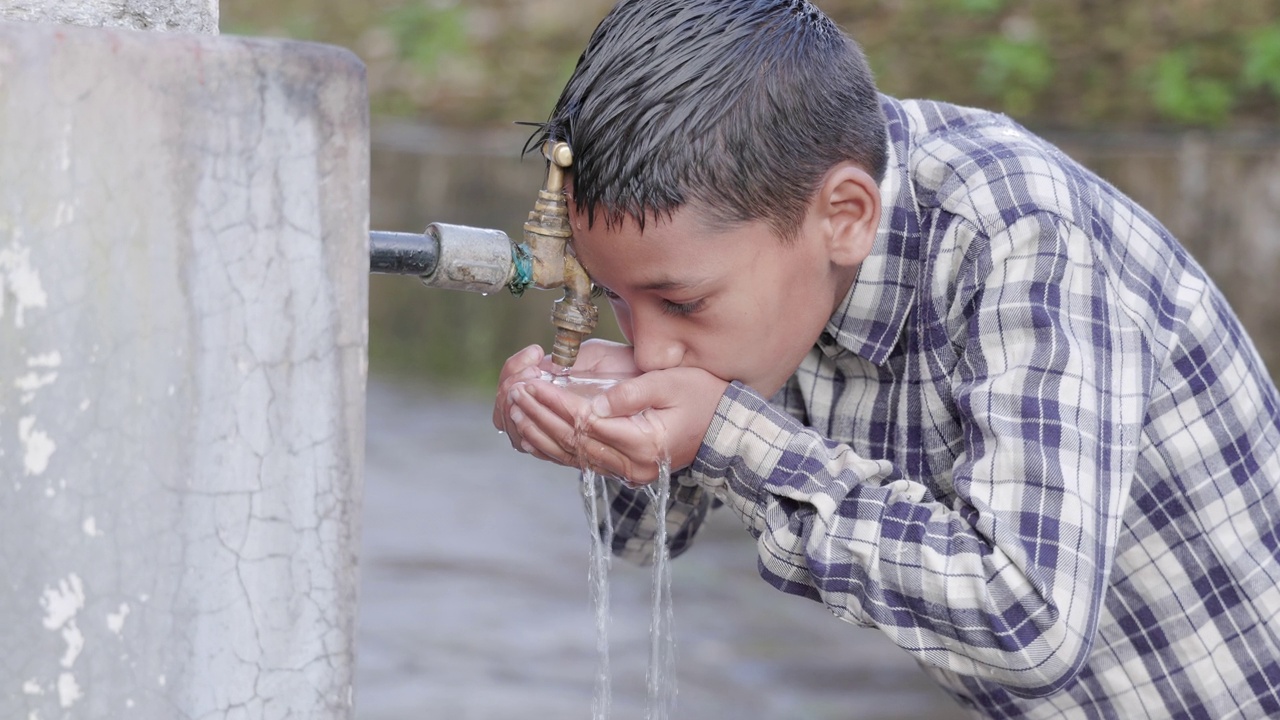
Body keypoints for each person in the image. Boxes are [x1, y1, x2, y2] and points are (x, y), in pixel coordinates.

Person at [492, 0, 1280, 717]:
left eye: (683, 303)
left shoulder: (1019, 235)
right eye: (617, 300)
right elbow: (643, 545)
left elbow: (1027, 621)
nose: (651, 346)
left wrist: (727, 438)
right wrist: (593, 424)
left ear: (845, 216)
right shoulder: (776, 251)